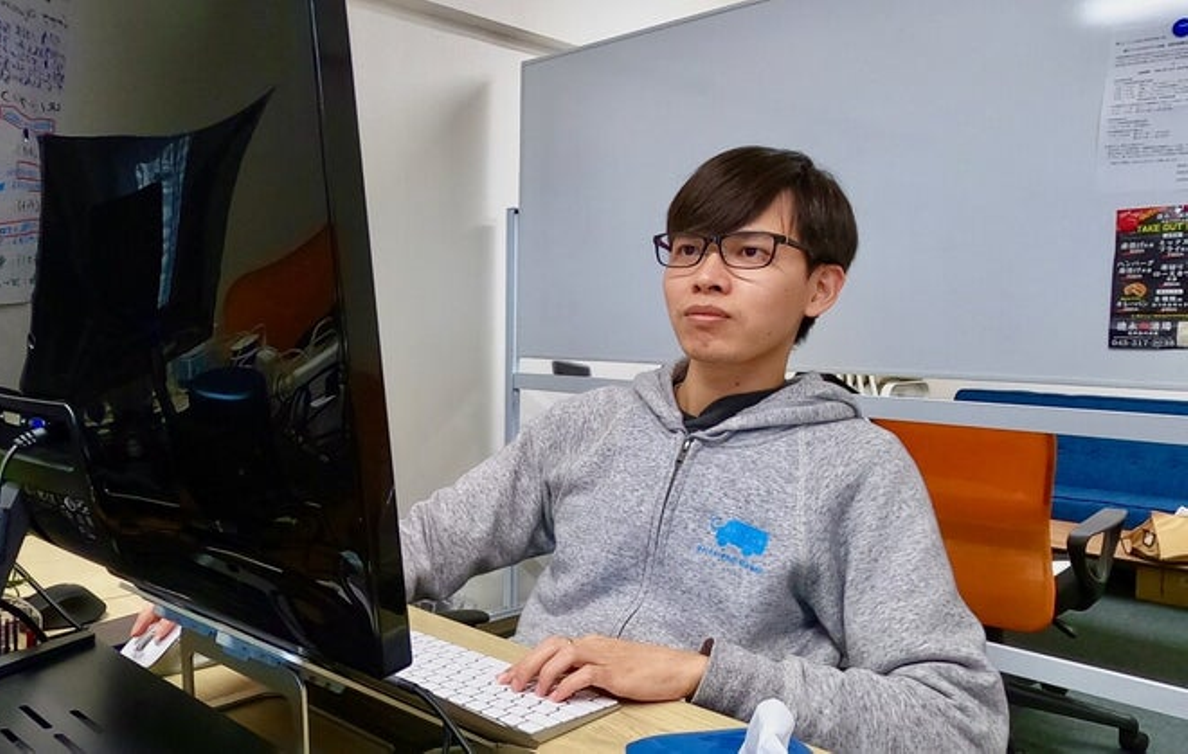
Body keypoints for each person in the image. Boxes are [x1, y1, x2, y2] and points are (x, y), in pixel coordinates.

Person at [135, 145, 1010, 751]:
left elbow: (958, 722)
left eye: (750, 251)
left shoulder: (857, 470)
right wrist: (248, 588)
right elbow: (430, 541)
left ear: (822, 287)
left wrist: (701, 672)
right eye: (689, 249)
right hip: (515, 727)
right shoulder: (590, 424)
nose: (705, 275)